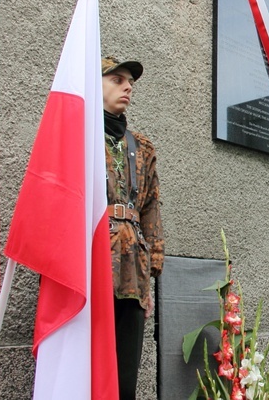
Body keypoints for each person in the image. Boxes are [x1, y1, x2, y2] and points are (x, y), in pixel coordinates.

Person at [102, 56, 164, 399]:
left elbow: (151, 207)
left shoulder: (141, 145)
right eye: (117, 79)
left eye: (130, 82)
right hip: (90, 263)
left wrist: (151, 274)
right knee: (84, 367)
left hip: (132, 270)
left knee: (124, 379)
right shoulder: (74, 133)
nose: (127, 87)